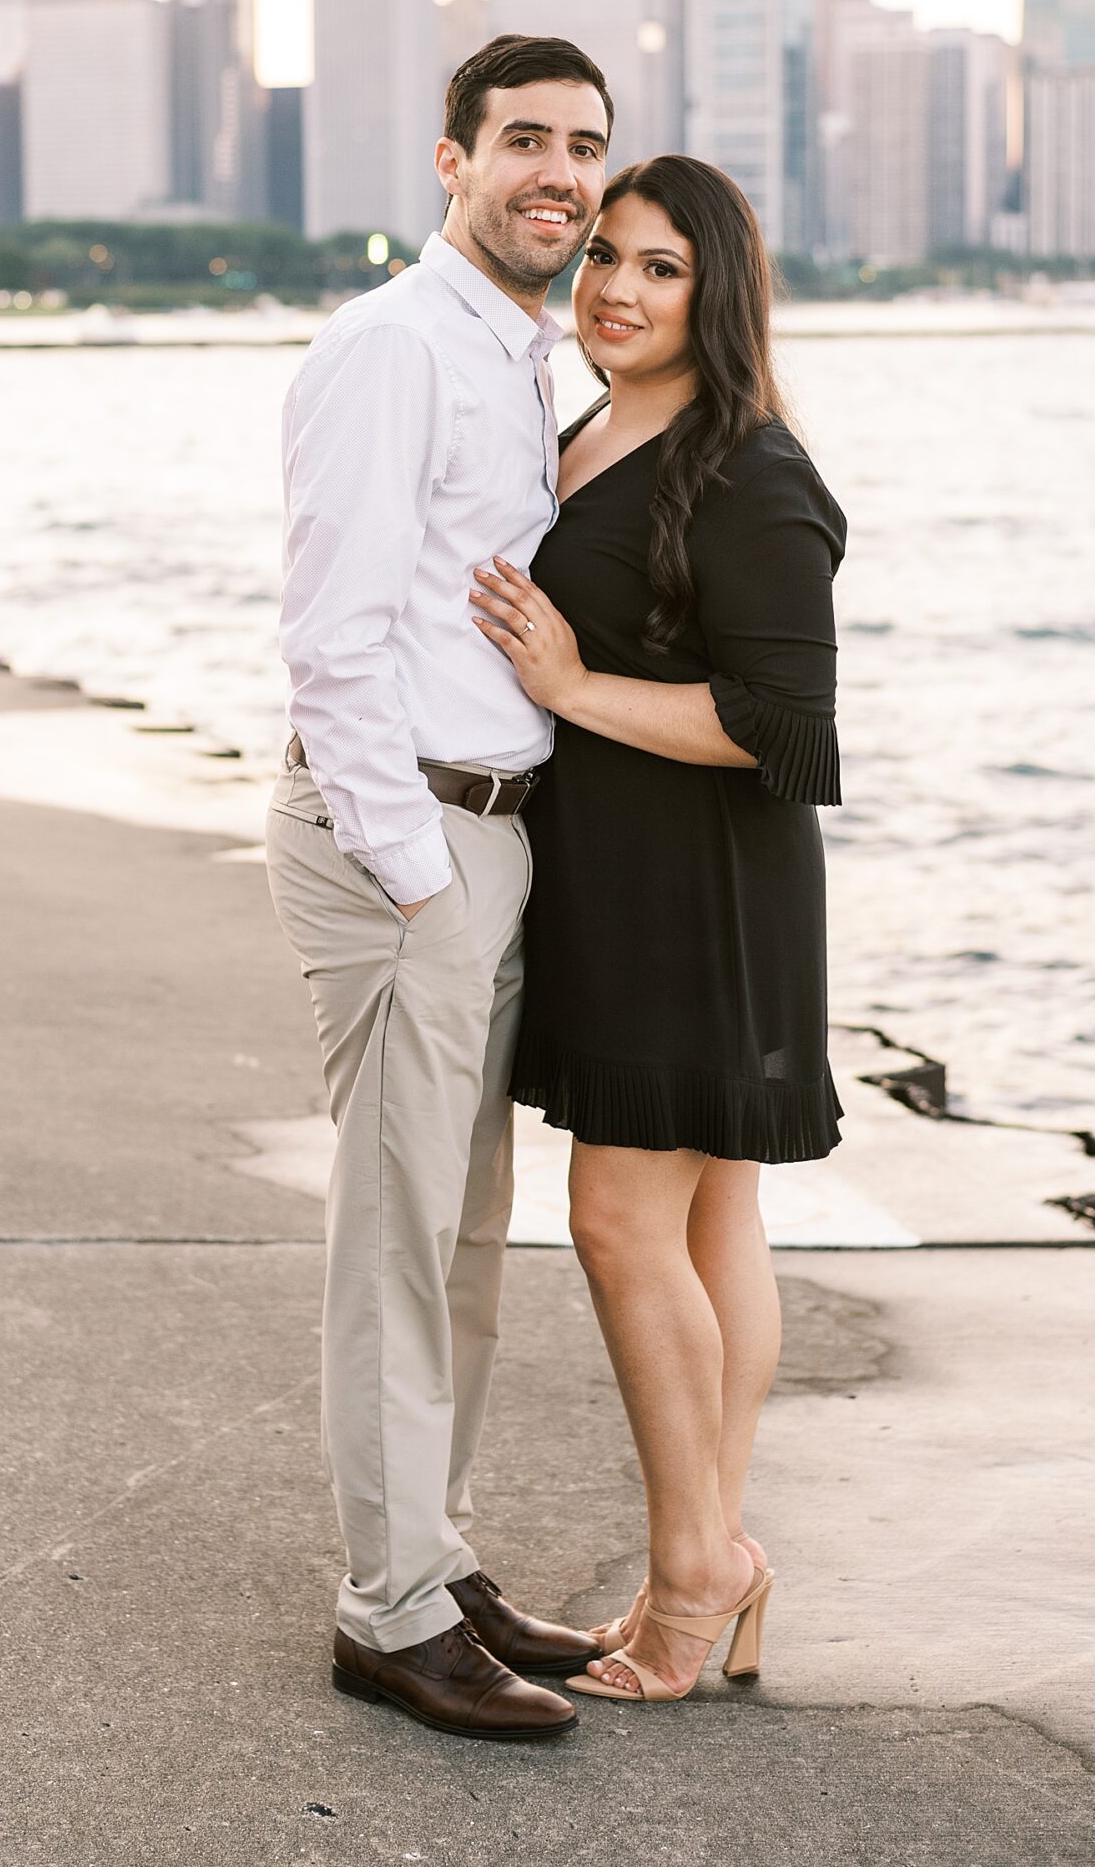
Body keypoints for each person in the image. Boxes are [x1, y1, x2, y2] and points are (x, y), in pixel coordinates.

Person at [265, 34, 613, 1741]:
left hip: (487, 831)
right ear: (450, 161)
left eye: (583, 148)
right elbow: (328, 640)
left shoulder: (521, 354)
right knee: (397, 1240)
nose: (558, 173)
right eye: (523, 141)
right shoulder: (391, 347)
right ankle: (385, 1606)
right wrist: (414, 877)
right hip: (406, 835)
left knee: (461, 1231)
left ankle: (434, 1552)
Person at [469, 152, 846, 1708]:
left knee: (625, 1224)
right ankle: (710, 1559)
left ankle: (695, 1572)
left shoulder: (753, 470)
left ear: (719, 294)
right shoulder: (590, 428)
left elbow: (788, 728)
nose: (616, 289)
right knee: (707, 1227)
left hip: (700, 891)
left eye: (659, 268)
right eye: (606, 257)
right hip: (623, 875)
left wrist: (566, 690)